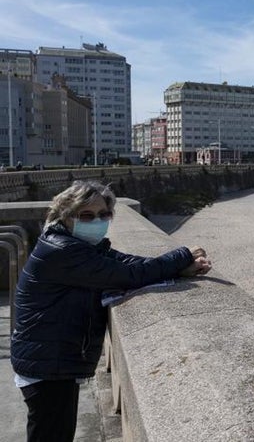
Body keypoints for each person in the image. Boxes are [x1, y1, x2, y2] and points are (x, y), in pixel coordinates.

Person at [11, 180, 212, 442]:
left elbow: (126, 262)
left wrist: (177, 267)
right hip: (47, 364)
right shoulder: (63, 251)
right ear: (66, 216)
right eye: (86, 215)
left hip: (50, 358)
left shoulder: (73, 244)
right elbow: (128, 274)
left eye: (104, 214)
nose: (97, 221)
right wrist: (182, 254)